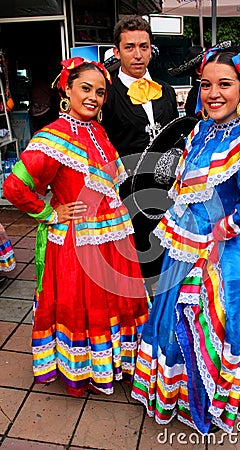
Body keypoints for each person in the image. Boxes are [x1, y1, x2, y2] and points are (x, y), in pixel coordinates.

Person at [131, 45, 240, 435]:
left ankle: (213, 402)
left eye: (225, 84)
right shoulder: (203, 129)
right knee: (177, 322)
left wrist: (225, 228)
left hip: (226, 253)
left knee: (217, 325)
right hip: (187, 245)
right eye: (205, 85)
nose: (213, 94)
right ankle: (187, 398)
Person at [3, 57, 150, 397]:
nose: (93, 97)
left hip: (113, 238)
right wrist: (50, 213)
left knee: (113, 303)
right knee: (87, 307)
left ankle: (113, 363)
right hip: (78, 243)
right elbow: (14, 187)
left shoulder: (98, 131)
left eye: (100, 92)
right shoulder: (52, 136)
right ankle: (85, 370)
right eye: (86, 88)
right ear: (66, 90)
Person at [101, 15, 179, 294]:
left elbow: (175, 138)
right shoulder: (107, 93)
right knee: (131, 262)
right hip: (126, 193)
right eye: (130, 47)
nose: (137, 54)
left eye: (143, 46)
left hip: (164, 190)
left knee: (163, 256)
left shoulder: (166, 91)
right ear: (117, 50)